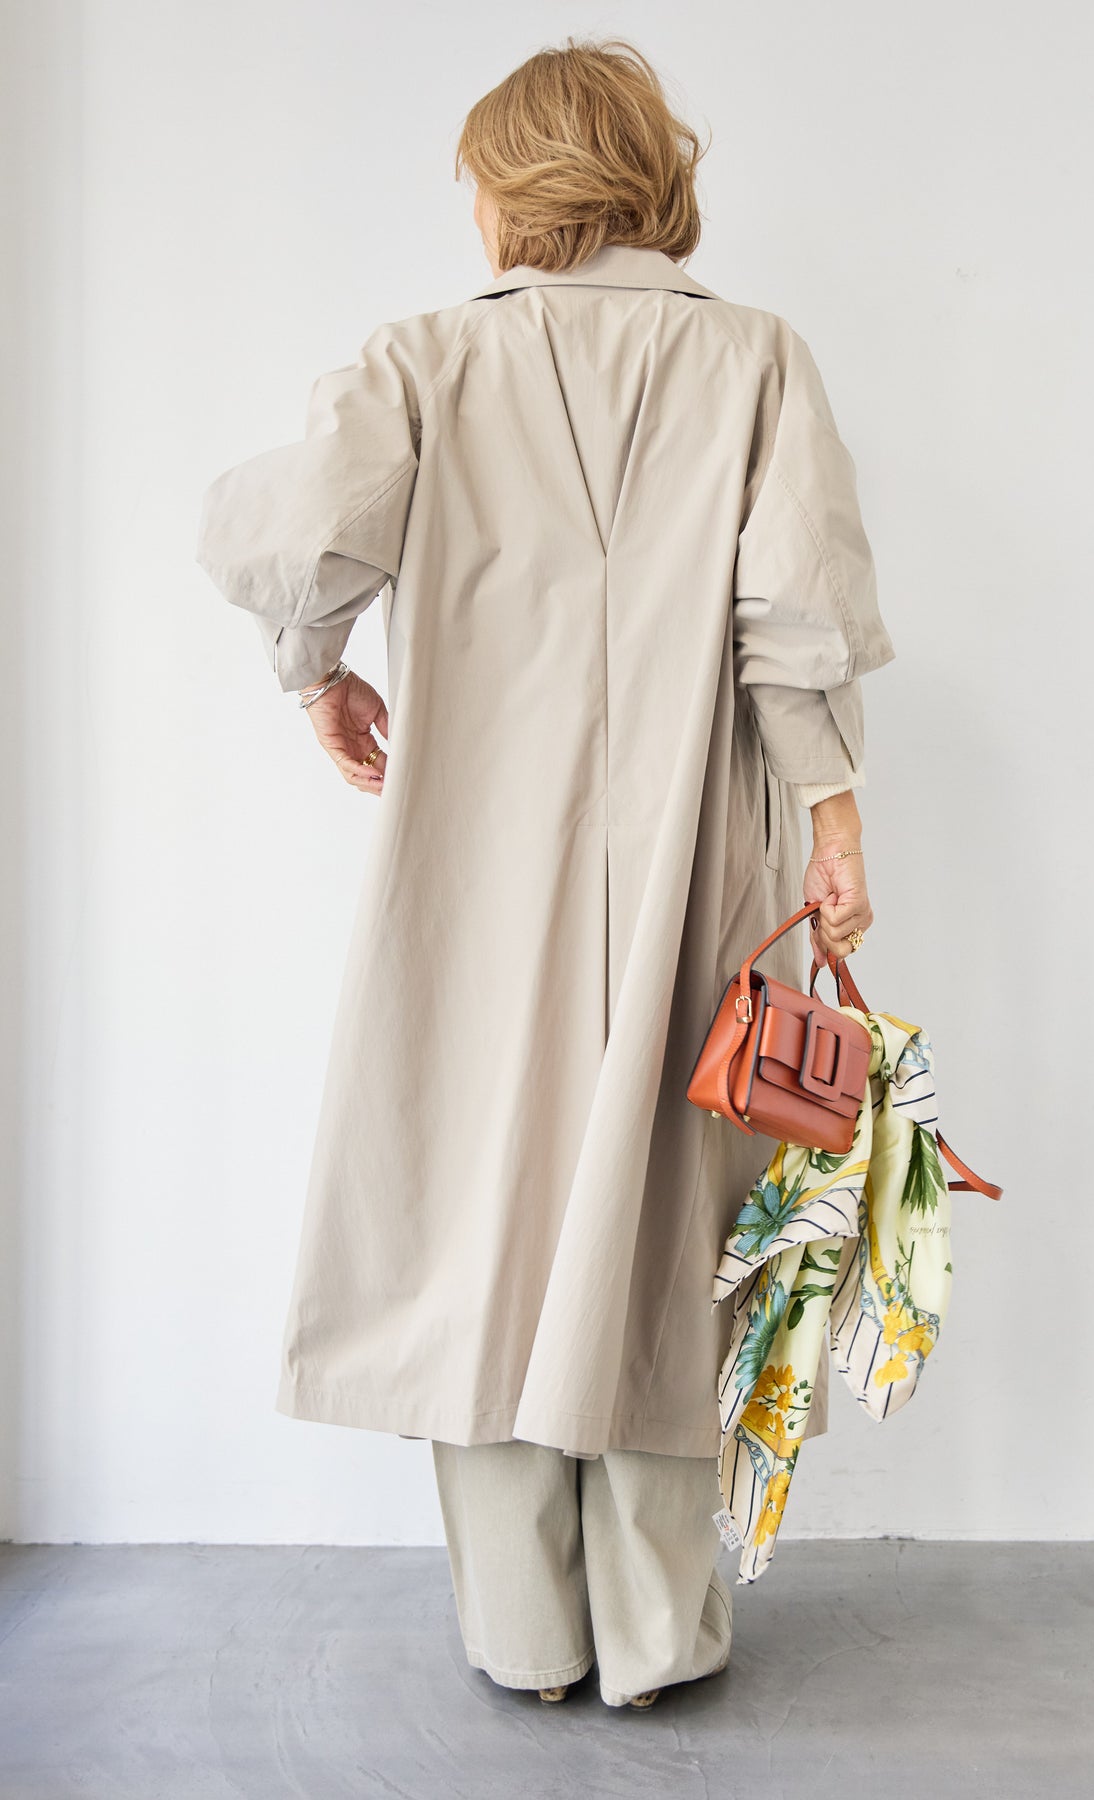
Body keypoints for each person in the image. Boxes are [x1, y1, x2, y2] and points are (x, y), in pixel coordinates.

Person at [195, 37, 895, 1710]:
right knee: (672, 1208)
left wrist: (316, 670)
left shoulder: (426, 359)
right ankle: (659, 1638)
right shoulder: (753, 359)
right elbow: (788, 618)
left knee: (480, 1206)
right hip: (691, 849)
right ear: (651, 173)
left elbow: (297, 541)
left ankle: (523, 1632)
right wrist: (831, 811)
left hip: (475, 859)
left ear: (511, 188)